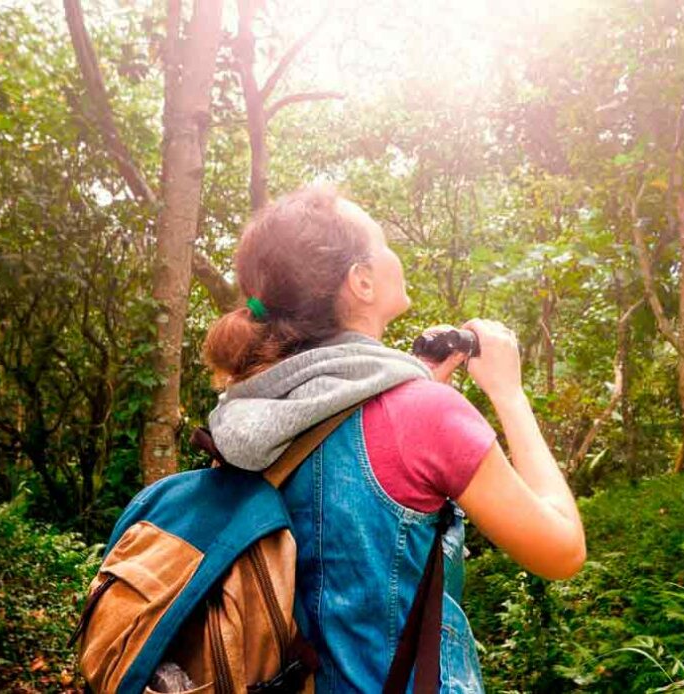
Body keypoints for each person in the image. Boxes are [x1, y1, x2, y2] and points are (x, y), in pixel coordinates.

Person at [200, 185, 585, 693]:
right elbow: (561, 552)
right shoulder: (424, 416)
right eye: (383, 242)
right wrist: (508, 393)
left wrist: (417, 392)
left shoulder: (245, 414)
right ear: (361, 281)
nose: (392, 255)